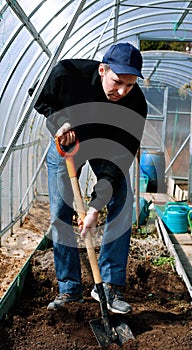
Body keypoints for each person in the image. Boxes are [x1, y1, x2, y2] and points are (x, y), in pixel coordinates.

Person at [32, 42, 147, 314]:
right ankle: (69, 289)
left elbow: (118, 164)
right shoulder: (68, 74)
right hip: (68, 143)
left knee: (122, 199)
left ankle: (108, 285)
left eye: (130, 85)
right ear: (102, 69)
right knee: (61, 209)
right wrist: (58, 122)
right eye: (117, 81)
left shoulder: (135, 105)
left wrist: (96, 207)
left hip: (107, 148)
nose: (122, 91)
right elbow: (39, 97)